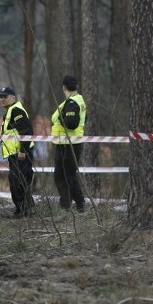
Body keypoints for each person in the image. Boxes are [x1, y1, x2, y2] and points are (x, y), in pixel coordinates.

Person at [0, 86, 35, 218]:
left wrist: (23, 151)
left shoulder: (16, 110)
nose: (2, 99)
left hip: (21, 154)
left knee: (18, 183)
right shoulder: (10, 111)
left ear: (13, 97)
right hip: (14, 154)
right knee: (16, 183)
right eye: (0, 97)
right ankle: (25, 209)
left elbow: (27, 131)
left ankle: (23, 211)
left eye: (5, 96)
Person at [51, 75, 87, 212]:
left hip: (68, 145)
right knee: (62, 175)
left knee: (67, 175)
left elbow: (72, 124)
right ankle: (66, 204)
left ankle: (78, 204)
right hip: (66, 144)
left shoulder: (72, 103)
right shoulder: (77, 101)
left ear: (64, 87)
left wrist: (62, 117)